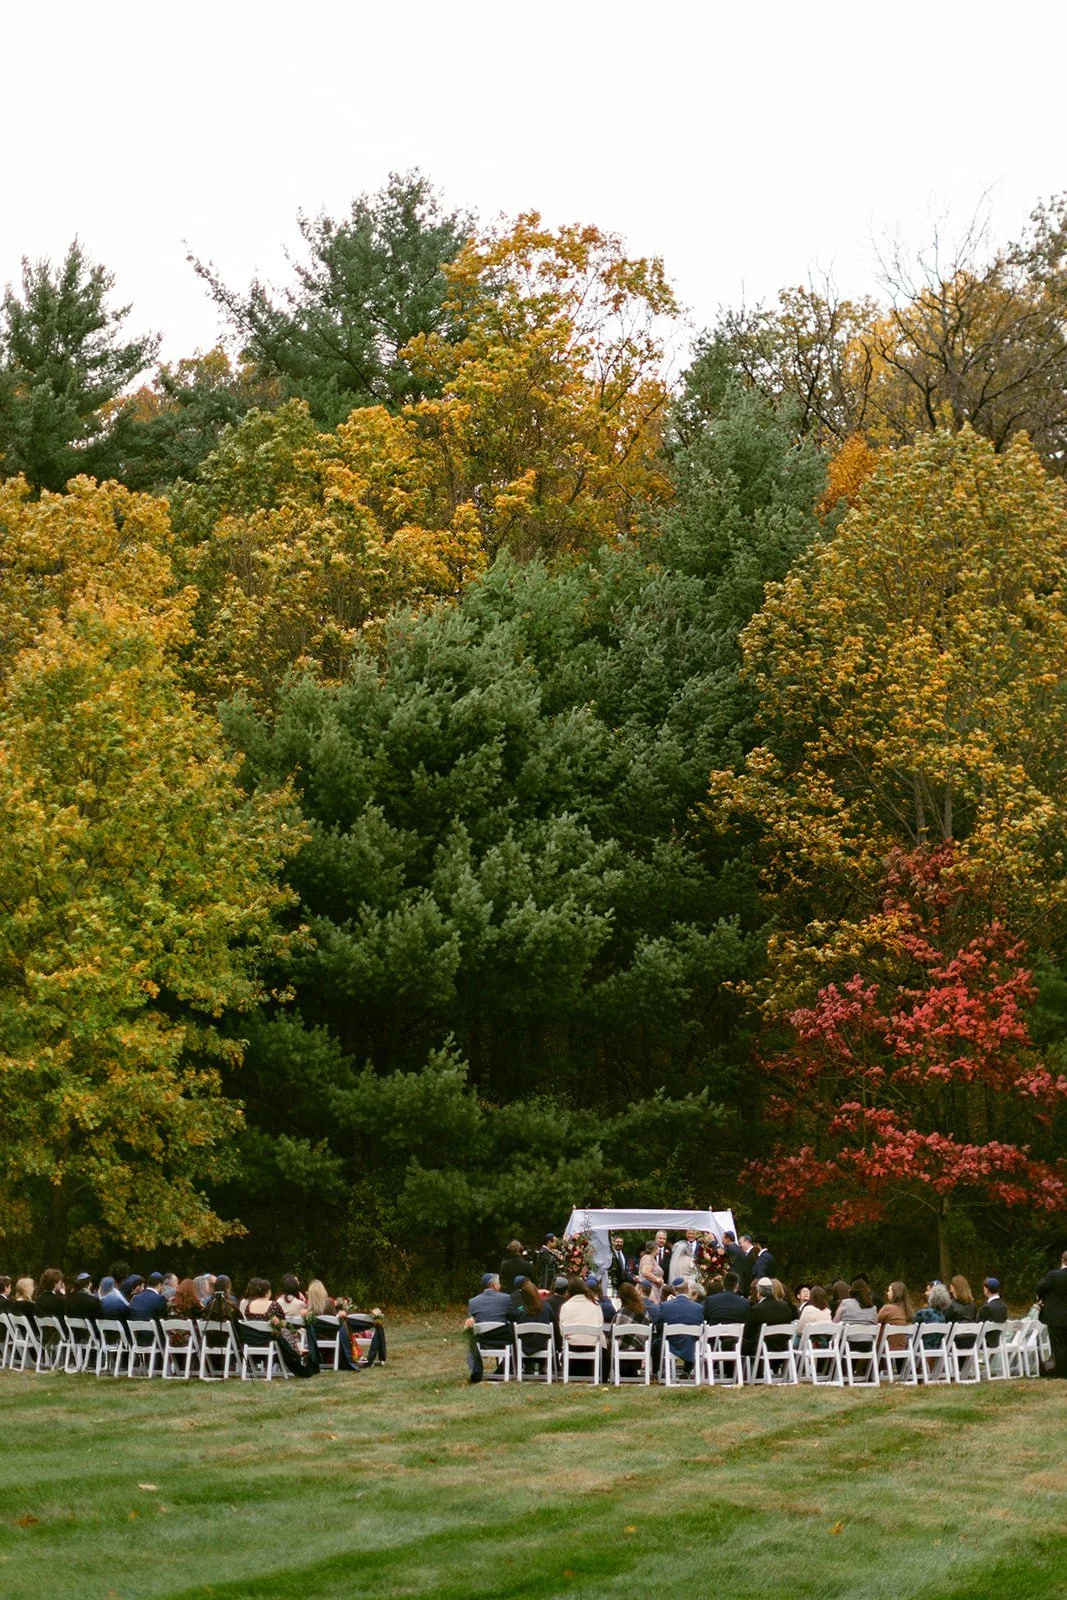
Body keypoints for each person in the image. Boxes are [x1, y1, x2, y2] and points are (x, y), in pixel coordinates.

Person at [742, 1278, 795, 1362]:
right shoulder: (785, 1306)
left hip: (762, 1348)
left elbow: (747, 1332)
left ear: (759, 1292)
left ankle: (735, 1373)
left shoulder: (757, 1309)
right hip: (783, 1347)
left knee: (731, 1344)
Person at [662, 1279, 705, 1375]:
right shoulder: (698, 1308)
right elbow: (702, 1329)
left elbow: (660, 1326)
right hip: (691, 1346)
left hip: (671, 1345)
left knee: (657, 1341)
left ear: (674, 1291)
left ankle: (659, 1371)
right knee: (691, 1338)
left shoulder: (665, 1306)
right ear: (688, 1290)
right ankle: (687, 1370)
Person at [1037, 1250, 1067, 1377]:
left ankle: (1062, 1372)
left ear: (1062, 1260)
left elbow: (1039, 1288)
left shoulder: (1054, 1276)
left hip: (1056, 1316)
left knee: (1059, 1345)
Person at [465, 1273, 513, 1351]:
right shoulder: (506, 1298)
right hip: (502, 1340)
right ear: (494, 1285)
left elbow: (471, 1321)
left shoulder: (473, 1301)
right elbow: (512, 1316)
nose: (500, 1286)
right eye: (499, 1283)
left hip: (482, 1340)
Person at [876, 1281, 914, 1350]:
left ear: (895, 1293)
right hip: (903, 1348)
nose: (887, 1293)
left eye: (889, 1291)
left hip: (885, 1348)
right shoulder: (908, 1311)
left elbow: (875, 1322)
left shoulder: (887, 1308)